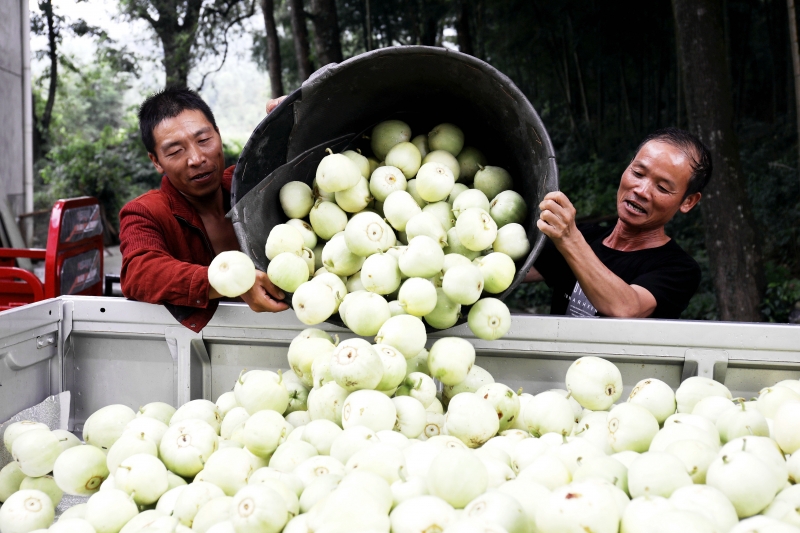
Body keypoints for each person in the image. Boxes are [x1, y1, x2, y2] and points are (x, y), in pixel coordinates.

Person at [119, 87, 288, 332]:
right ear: (156, 161)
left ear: (218, 135)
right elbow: (140, 272)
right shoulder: (145, 212)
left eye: (204, 140)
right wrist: (233, 281)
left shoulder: (250, 183)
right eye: (176, 151)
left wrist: (295, 112)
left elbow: (299, 155)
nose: (196, 158)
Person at [526, 127, 711, 319]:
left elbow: (627, 308)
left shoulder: (679, 269)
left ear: (688, 201)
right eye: (638, 173)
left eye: (662, 187)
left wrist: (569, 239)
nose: (641, 190)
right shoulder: (585, 236)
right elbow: (511, 267)